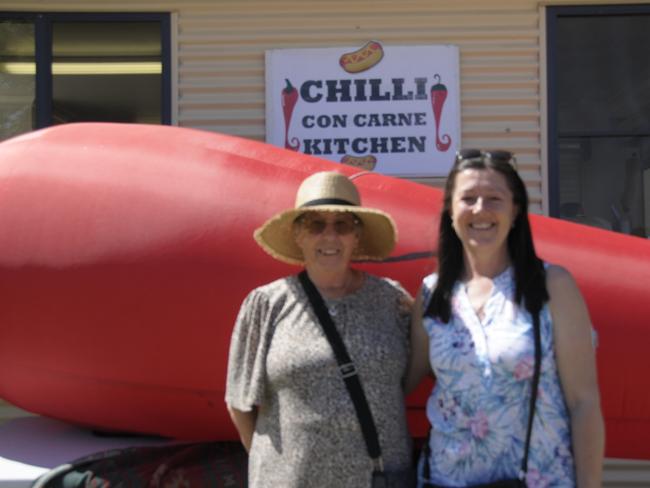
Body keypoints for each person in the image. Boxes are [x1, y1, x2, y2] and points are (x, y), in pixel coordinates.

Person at [406, 149, 605, 487]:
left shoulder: (552, 286)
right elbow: (402, 384)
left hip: (538, 479)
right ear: (450, 211)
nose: (480, 209)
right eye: (468, 198)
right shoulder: (431, 294)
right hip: (444, 479)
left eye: (494, 199)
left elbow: (583, 402)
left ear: (515, 211)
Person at [225, 171, 413, 487]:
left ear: (357, 236)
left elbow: (416, 375)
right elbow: (239, 403)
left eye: (342, 225)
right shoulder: (267, 304)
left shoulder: (391, 300)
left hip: (378, 480)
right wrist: (276, 469)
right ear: (299, 235)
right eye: (315, 225)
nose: (330, 236)